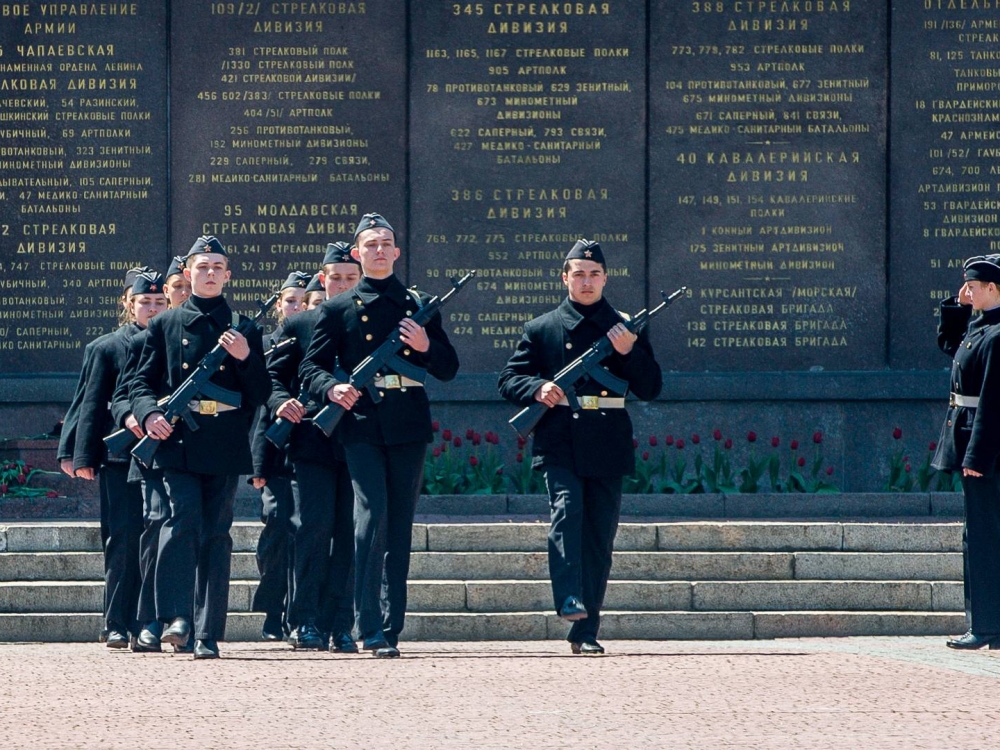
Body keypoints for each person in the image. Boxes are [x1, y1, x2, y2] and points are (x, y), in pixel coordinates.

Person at [300, 214, 458, 658]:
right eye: (371, 244)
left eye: (387, 243)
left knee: (400, 524)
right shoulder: (337, 308)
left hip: (407, 422)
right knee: (370, 517)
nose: (380, 250)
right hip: (361, 424)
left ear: (398, 252)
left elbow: (448, 368)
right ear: (357, 253)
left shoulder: (419, 304)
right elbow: (310, 367)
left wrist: (426, 346)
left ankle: (391, 625)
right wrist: (332, 387)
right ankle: (366, 623)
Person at [498, 239, 662, 655]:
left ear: (605, 278)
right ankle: (568, 596)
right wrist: (540, 387)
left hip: (607, 439)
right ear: (565, 277)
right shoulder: (542, 328)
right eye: (579, 273)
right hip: (560, 437)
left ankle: (586, 630)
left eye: (594, 274)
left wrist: (628, 353)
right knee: (566, 512)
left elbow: (651, 387)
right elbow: (508, 380)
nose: (586, 281)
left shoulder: (625, 328)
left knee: (598, 537)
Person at [129, 236, 270, 659]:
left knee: (216, 534)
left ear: (228, 275)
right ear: (187, 274)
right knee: (182, 518)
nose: (209, 273)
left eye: (217, 267)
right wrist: (149, 413)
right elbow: (139, 383)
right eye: (201, 266)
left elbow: (262, 392)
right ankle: (177, 618)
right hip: (177, 441)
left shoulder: (245, 327)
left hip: (224, 441)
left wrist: (245, 357)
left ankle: (208, 631)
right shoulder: (165, 324)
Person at [269, 243, 362, 652]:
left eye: (350, 277)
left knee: (348, 534)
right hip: (312, 441)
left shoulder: (372, 320)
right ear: (322, 280)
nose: (342, 284)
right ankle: (303, 620)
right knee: (313, 529)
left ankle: (340, 623)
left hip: (360, 441)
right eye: (335, 277)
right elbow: (271, 378)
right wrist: (279, 403)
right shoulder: (300, 325)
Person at [59, 266, 154, 647]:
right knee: (123, 539)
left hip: (166, 456)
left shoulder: (171, 342)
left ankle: (148, 620)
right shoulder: (107, 347)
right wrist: (78, 453)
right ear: (128, 304)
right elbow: (90, 402)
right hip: (121, 458)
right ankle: (115, 621)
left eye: (159, 302)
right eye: (144, 302)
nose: (152, 308)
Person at [933, 254, 1000, 650]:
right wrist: (959, 307)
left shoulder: (997, 336)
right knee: (978, 535)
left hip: (985, 450)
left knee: (983, 537)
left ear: (994, 288)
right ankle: (988, 623)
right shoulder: (982, 327)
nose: (966, 291)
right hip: (973, 442)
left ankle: (987, 626)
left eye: (973, 286)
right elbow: (952, 345)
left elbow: (994, 403)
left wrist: (976, 457)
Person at [249, 270, 311, 641]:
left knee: (303, 528)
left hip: (311, 453)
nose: (297, 307)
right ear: (278, 305)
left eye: (305, 301)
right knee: (277, 522)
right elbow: (260, 409)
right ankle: (272, 606)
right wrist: (258, 464)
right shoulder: (268, 344)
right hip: (276, 453)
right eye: (290, 301)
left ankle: (294, 613)